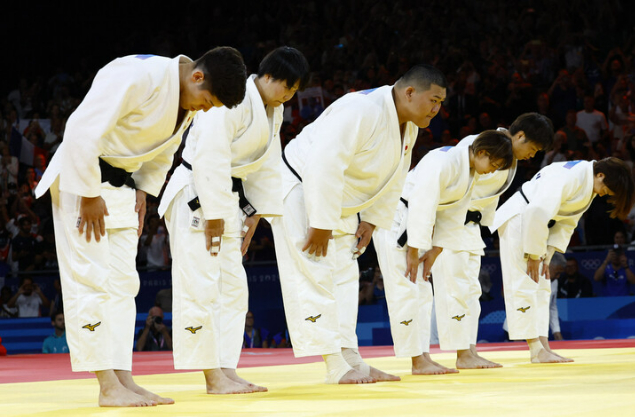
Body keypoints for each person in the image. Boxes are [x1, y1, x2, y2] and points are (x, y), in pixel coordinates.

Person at [33, 46, 247, 407]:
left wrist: (145, 190)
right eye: (207, 100)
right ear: (197, 76)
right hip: (82, 180)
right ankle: (106, 385)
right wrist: (87, 193)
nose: (205, 109)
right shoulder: (137, 75)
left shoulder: (185, 99)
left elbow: (165, 150)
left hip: (121, 186)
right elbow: (80, 129)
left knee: (122, 284)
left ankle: (124, 379)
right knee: (90, 280)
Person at [272, 64, 447, 384]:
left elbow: (394, 179)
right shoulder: (360, 109)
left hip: (338, 200)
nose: (436, 109)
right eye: (433, 100)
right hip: (301, 187)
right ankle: (334, 365)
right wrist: (321, 222)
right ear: (410, 92)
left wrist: (372, 219)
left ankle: (351, 358)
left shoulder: (408, 126)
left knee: (344, 279)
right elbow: (324, 162)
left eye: (441, 103)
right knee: (315, 271)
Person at [158, 46, 308, 395]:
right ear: (268, 75)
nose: (288, 95)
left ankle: (226, 368)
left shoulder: (274, 110)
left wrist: (254, 212)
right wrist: (213, 213)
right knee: (202, 285)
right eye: (286, 86)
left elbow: (269, 163)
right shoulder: (233, 97)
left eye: (294, 90)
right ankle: (212, 377)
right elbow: (210, 156)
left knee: (233, 288)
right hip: (199, 197)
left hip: (229, 201)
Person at [373, 129, 513, 375]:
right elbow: (421, 204)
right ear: (481, 152)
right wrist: (415, 249)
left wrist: (435, 250)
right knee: (405, 289)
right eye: (494, 164)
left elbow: (452, 215)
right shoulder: (442, 161)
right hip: (397, 221)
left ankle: (423, 356)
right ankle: (417, 360)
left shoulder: (468, 171)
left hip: (419, 230)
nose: (493, 171)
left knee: (423, 292)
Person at [430, 113, 554, 370]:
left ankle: (469, 351)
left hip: (472, 228)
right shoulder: (478, 145)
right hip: (449, 224)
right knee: (455, 290)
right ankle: (462, 353)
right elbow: (445, 184)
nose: (531, 156)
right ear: (519, 136)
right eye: (531, 148)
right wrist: (433, 229)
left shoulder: (507, 159)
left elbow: (488, 200)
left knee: (471, 292)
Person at [491, 157, 635, 363]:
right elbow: (536, 210)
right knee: (525, 283)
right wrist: (533, 254)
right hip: (520, 218)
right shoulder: (571, 177)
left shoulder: (586, 183)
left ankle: (543, 347)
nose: (605, 194)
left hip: (536, 225)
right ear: (601, 175)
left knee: (542, 286)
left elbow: (567, 223)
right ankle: (535, 349)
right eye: (607, 189)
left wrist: (547, 256)